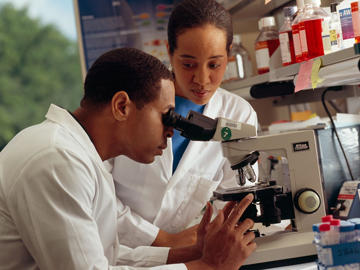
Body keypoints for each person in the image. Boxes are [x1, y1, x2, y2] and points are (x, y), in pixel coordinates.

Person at [0, 47, 256, 270]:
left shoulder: (77, 154)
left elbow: (103, 254)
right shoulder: (57, 160)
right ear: (122, 106)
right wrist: (209, 267)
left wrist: (191, 253)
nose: (171, 131)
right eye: (167, 116)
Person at [112, 0, 258, 248]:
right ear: (170, 51)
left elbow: (235, 201)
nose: (202, 80)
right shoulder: (130, 104)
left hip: (188, 252)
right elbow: (98, 191)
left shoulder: (238, 115)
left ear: (229, 54)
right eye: (188, 64)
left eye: (214, 64)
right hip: (116, 250)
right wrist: (163, 241)